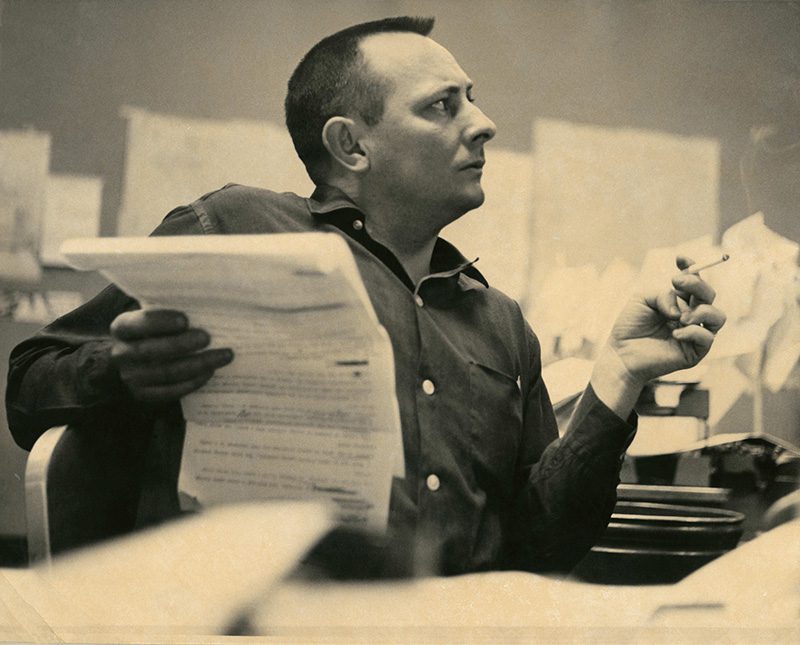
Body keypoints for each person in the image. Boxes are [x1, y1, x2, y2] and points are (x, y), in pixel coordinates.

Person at [5, 16, 725, 575]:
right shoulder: (238, 228)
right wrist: (120, 372)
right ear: (351, 145)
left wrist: (621, 374)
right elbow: (31, 378)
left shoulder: (500, 321)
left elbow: (541, 548)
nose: (483, 123)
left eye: (471, 99)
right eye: (443, 106)